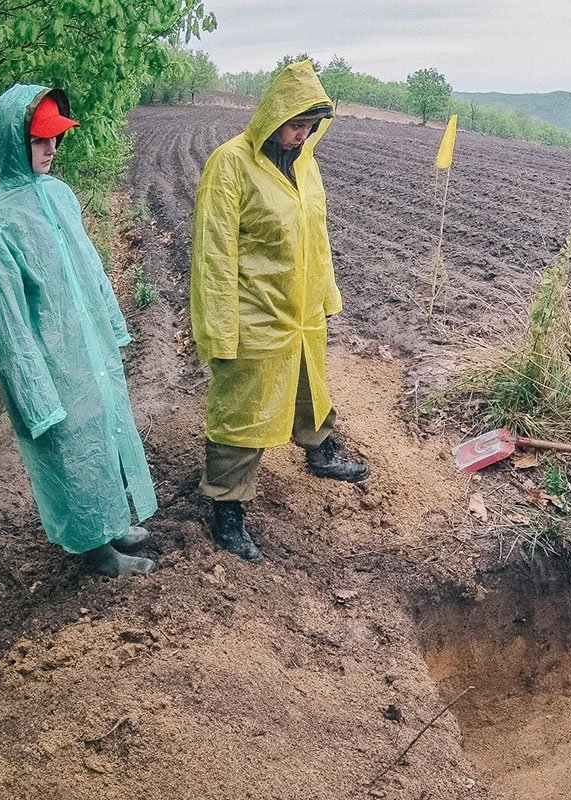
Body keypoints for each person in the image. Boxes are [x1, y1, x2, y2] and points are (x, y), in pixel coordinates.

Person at [0, 84, 158, 577]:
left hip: (86, 343)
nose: (51, 149)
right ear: (13, 141)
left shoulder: (59, 194)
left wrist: (112, 325)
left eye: (56, 138)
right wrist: (34, 391)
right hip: (49, 359)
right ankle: (96, 552)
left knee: (103, 433)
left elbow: (91, 267)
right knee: (69, 448)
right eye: (39, 140)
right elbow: (5, 326)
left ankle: (112, 523)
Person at [191, 60, 368, 562]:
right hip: (255, 315)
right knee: (242, 413)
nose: (300, 136)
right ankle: (227, 510)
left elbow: (319, 236)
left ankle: (321, 452)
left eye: (310, 128)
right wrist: (220, 331)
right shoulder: (230, 166)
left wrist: (327, 296)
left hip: (303, 310)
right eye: (295, 126)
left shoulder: (306, 164)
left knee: (312, 386)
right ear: (273, 115)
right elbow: (213, 255)